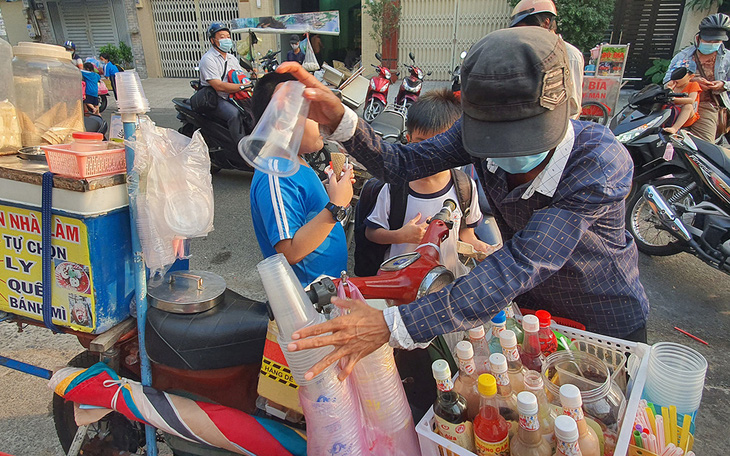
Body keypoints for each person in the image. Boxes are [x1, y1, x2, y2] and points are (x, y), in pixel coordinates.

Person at [277, 26, 649, 381]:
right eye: (494, 139)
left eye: (524, 136)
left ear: (565, 106)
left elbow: (521, 261)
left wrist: (395, 325)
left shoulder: (598, 163)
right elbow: (401, 163)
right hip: (534, 311)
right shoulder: (474, 132)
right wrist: (342, 121)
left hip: (602, 316)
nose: (505, 152)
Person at [364, 89, 494, 277]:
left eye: (440, 145)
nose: (430, 155)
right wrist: (400, 235)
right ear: (408, 140)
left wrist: (482, 248)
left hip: (445, 280)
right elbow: (372, 232)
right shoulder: (395, 187)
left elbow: (466, 235)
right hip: (400, 278)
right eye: (422, 143)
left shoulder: (465, 187)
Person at [249, 72, 354, 287]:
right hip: (308, 296)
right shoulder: (275, 174)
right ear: (282, 122)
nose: (324, 123)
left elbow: (302, 208)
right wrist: (336, 206)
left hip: (326, 288)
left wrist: (329, 191)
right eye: (312, 114)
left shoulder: (296, 160)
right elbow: (289, 252)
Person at [510, 0, 583, 120]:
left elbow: (572, 105)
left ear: (545, 23)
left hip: (556, 128)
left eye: (525, 30)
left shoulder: (570, 55)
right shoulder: (524, 52)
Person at [665, 13, 730, 142]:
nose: (712, 44)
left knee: (705, 147)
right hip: (678, 101)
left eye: (716, 42)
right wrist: (692, 81)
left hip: (707, 106)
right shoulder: (683, 56)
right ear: (698, 38)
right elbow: (667, 80)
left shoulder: (727, 58)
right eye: (708, 41)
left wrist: (723, 85)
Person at [199, 22, 249, 143]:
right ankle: (241, 149)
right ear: (212, 40)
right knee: (235, 114)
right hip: (217, 98)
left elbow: (240, 75)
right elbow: (218, 86)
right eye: (222, 37)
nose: (226, 40)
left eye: (228, 36)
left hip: (233, 95)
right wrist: (242, 87)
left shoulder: (231, 58)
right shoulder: (208, 59)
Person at [663, 63, 702, 135]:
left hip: (687, 116)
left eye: (680, 76)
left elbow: (691, 100)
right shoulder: (673, 85)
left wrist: (674, 99)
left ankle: (674, 128)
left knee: (688, 106)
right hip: (672, 112)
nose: (676, 79)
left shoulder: (693, 85)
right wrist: (668, 89)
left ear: (690, 77)